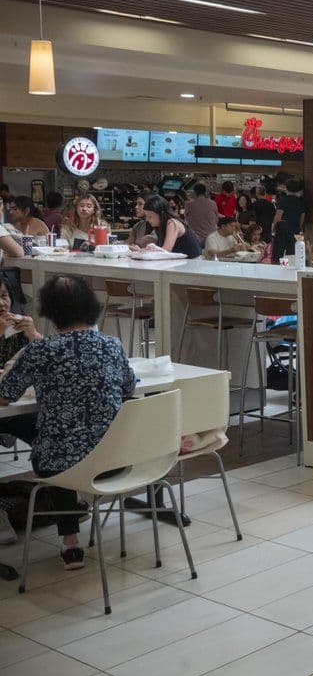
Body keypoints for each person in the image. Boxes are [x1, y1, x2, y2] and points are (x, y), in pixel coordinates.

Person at [0, 275, 135, 570]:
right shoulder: (112, 346)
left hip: (61, 462)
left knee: (57, 443)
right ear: (90, 306)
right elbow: (129, 389)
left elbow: (4, 396)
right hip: (115, 460)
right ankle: (72, 535)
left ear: (49, 311)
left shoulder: (41, 351)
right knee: (67, 436)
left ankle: (70, 542)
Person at [131, 195, 201, 258]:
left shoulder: (172, 223)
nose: (147, 219)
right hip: (182, 262)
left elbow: (165, 252)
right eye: (146, 216)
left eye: (150, 216)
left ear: (161, 214)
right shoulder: (160, 226)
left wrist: (141, 252)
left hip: (193, 263)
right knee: (147, 239)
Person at [272, 177, 307, 262]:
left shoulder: (283, 201)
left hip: (283, 231)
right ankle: (290, 269)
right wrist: (298, 227)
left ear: (286, 188)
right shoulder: (300, 202)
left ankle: (281, 268)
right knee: (292, 253)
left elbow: (278, 217)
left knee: (281, 253)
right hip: (295, 232)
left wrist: (274, 227)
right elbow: (302, 218)